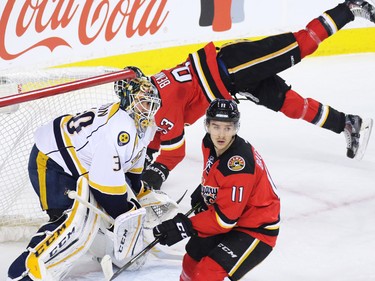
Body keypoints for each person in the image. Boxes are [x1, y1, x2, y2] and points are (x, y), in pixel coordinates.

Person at [116, 1, 375, 190]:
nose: (141, 101)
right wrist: (145, 156)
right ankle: (347, 123)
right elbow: (159, 132)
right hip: (233, 84)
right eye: (137, 100)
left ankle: (348, 10)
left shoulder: (162, 107)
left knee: (301, 44)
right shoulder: (153, 97)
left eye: (139, 95)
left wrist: (155, 173)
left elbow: (173, 150)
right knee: (291, 105)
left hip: (234, 65)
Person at [7, 78, 161, 280]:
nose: (148, 109)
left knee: (92, 215)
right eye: (144, 102)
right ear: (129, 101)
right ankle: (27, 271)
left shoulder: (144, 126)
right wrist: (125, 212)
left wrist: (137, 189)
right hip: (51, 159)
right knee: (70, 221)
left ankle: (101, 248)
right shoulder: (120, 128)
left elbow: (133, 163)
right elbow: (105, 188)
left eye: (152, 104)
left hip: (76, 159)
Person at [153, 99, 281, 281]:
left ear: (236, 128)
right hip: (233, 216)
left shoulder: (238, 165)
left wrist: (185, 226)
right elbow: (215, 173)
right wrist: (206, 190)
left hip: (256, 229)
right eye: (216, 126)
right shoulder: (209, 143)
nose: (221, 134)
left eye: (228, 128)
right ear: (207, 125)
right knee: (191, 259)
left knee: (207, 272)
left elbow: (224, 221)